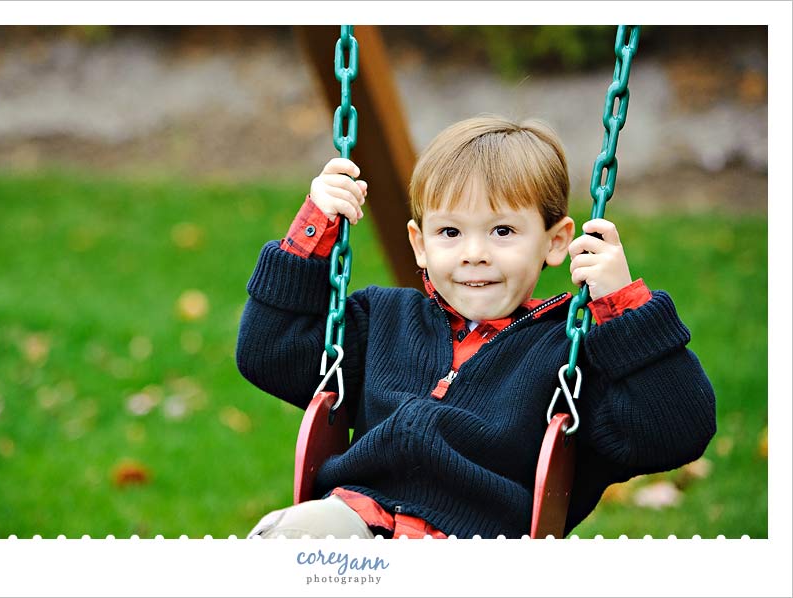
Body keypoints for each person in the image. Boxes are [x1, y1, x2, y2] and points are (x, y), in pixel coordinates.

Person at [236, 115, 716, 539]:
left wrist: (622, 304)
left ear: (556, 242)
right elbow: (268, 352)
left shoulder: (570, 357)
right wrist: (313, 228)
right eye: (450, 232)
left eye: (502, 231)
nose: (474, 253)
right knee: (293, 540)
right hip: (357, 523)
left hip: (477, 547)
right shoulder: (381, 320)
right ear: (419, 244)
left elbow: (677, 428)